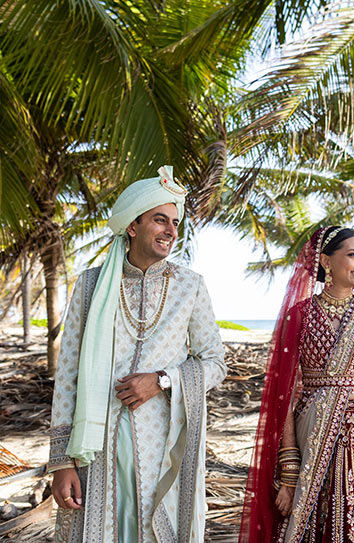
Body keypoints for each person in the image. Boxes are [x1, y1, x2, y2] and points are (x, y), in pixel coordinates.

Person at [47, 166, 227, 543]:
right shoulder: (91, 285)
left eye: (175, 223)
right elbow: (67, 377)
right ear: (133, 226)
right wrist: (62, 463)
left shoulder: (190, 286)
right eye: (160, 220)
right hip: (96, 448)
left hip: (164, 446)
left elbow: (214, 363)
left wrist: (161, 381)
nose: (171, 231)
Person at [239, 226, 354, 543]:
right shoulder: (299, 315)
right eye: (352, 255)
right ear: (326, 262)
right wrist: (289, 476)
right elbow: (285, 400)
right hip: (317, 444)